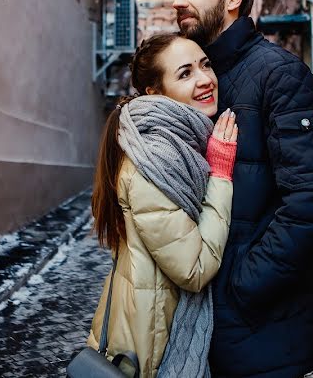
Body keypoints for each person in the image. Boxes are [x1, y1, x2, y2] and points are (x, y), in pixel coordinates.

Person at [172, 0, 313, 378]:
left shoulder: (278, 74)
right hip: (199, 328)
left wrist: (242, 285)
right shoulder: (195, 79)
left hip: (261, 330)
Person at [87, 32, 239, 378]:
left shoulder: (177, 142)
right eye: (185, 74)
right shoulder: (154, 161)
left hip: (154, 321)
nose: (204, 80)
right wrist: (220, 174)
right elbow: (194, 270)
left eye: (205, 65)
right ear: (155, 92)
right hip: (150, 342)